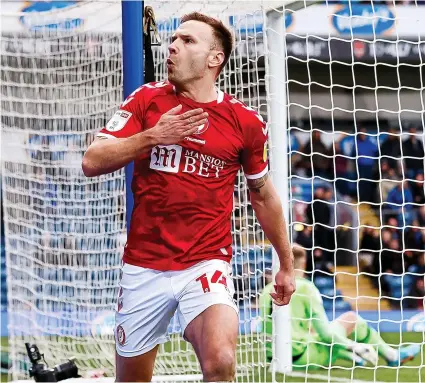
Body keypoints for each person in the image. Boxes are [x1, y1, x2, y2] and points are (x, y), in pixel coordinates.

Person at [82, 12, 295, 383]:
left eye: (187, 40)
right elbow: (91, 161)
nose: (173, 46)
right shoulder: (146, 100)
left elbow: (262, 195)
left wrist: (286, 264)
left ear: (215, 58)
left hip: (205, 263)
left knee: (221, 361)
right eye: (173, 40)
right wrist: (152, 136)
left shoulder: (244, 122)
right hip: (143, 266)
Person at [259, 245, 420, 369]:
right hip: (301, 358)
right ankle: (392, 356)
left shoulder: (267, 289)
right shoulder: (305, 287)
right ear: (305, 263)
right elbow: (326, 335)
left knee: (311, 330)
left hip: (272, 358)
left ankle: (354, 357)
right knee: (351, 319)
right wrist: (355, 346)